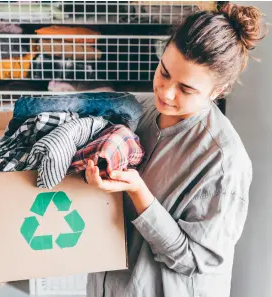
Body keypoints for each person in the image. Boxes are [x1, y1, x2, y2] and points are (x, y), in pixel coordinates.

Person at [85, 3, 267, 297]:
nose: (166, 92)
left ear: (217, 91)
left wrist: (138, 193)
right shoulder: (140, 111)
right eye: (164, 71)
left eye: (186, 88)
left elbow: (195, 258)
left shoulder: (224, 162)